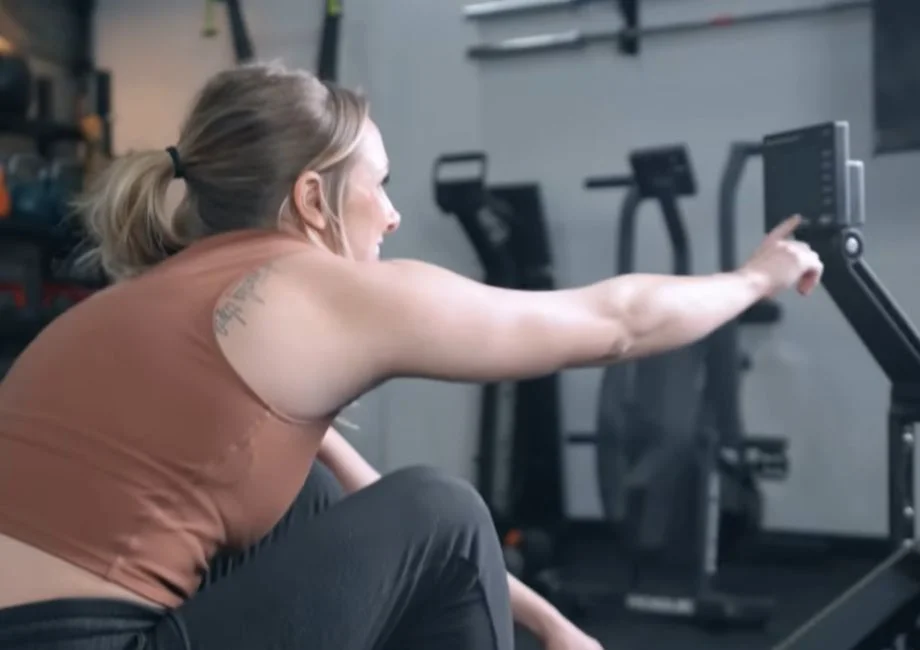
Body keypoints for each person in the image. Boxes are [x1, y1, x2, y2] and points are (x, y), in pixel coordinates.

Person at [0, 61, 822, 650]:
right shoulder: (302, 288)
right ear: (313, 200)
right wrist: (757, 277)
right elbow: (618, 323)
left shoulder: (160, 301)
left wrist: (552, 626)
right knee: (444, 507)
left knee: (325, 500)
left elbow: (371, 505)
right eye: (379, 184)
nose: (392, 216)